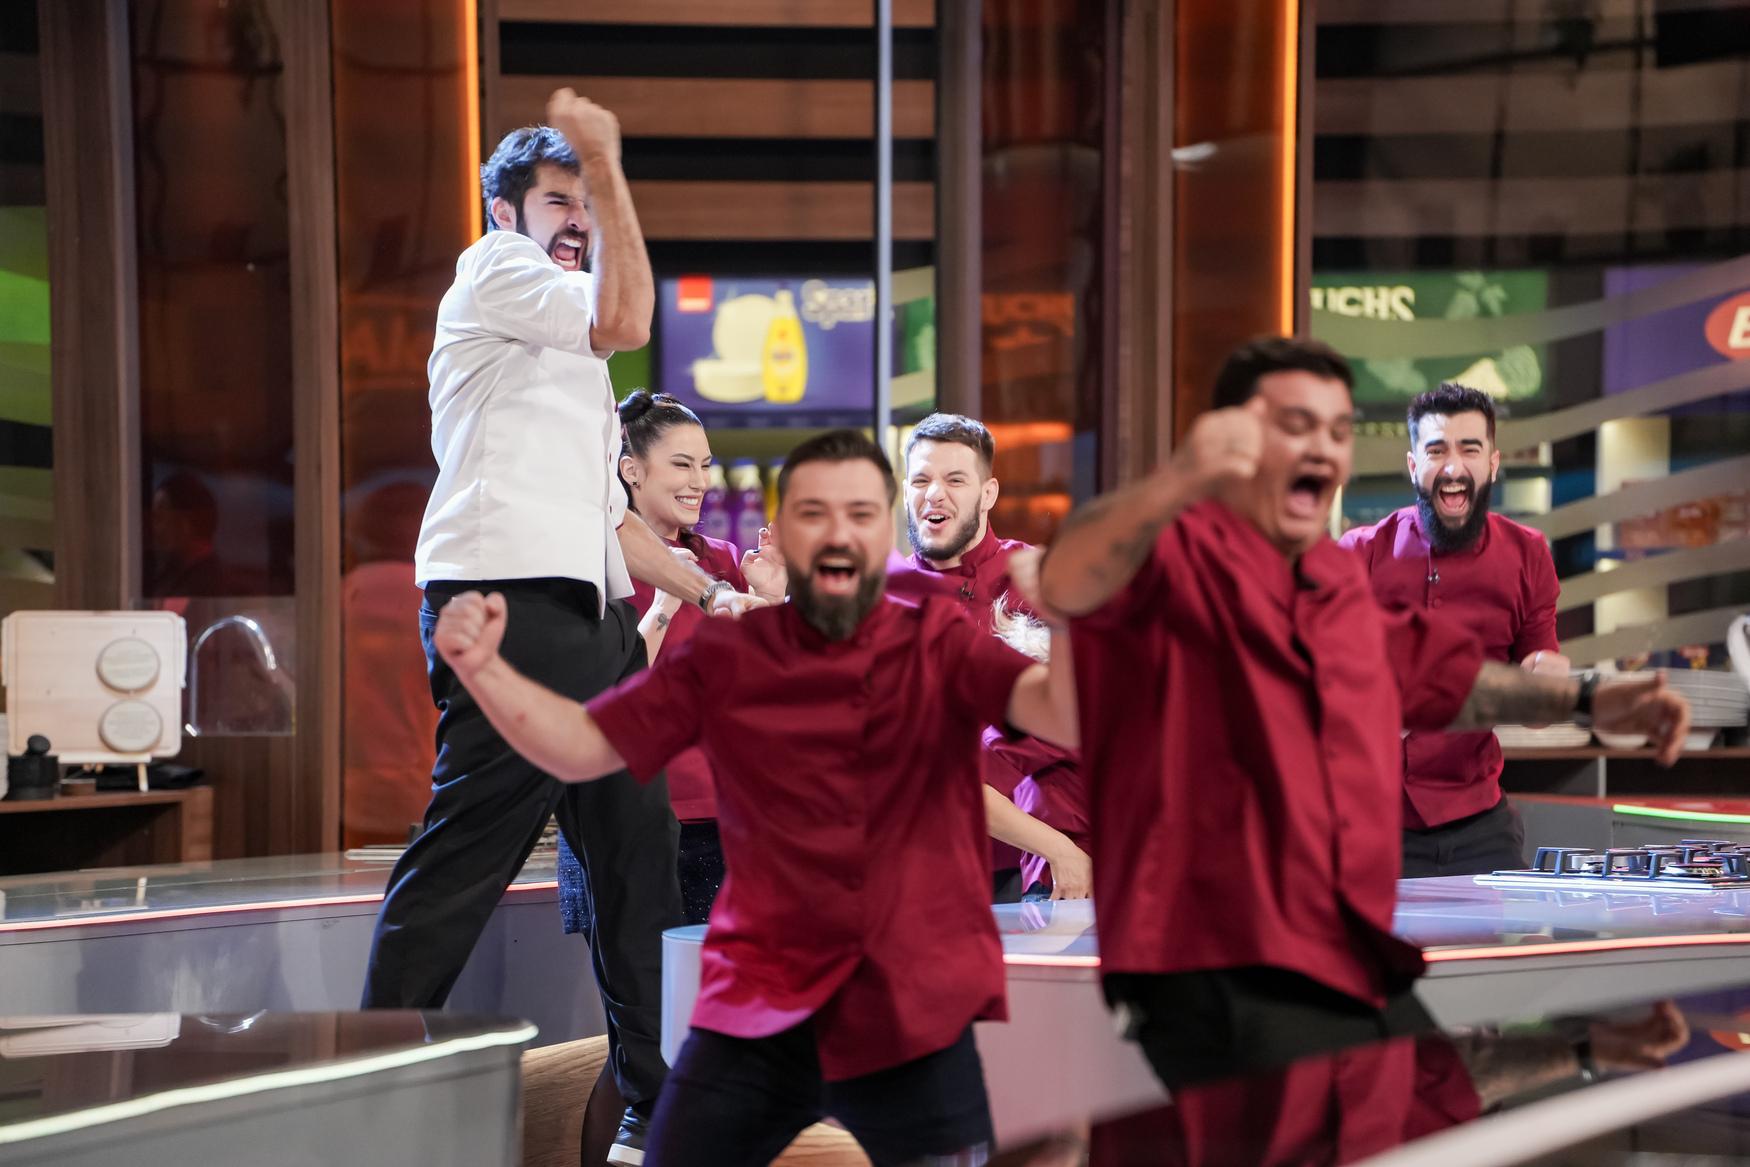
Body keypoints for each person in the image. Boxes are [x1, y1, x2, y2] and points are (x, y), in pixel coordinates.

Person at [1037, 335, 1692, 1089]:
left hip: (1333, 933)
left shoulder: (1330, 576)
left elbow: (1434, 674)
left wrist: (1582, 697)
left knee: (1413, 1073)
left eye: (1337, 430)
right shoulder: (1185, 554)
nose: (1321, 447)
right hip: (1211, 970)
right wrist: (1184, 473)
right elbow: (1070, 580)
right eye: (1295, 426)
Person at [429, 430, 1078, 1167]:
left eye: (858, 514)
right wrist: (485, 672)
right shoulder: (732, 651)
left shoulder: (931, 638)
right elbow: (583, 743)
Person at [358, 91, 758, 1165]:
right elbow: (627, 316)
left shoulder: (573, 354)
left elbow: (609, 521)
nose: (579, 218)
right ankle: (359, 1085)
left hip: (591, 621)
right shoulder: (495, 270)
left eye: (586, 201)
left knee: (638, 856)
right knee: (468, 852)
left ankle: (650, 1108)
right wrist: (610, 166)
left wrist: (714, 595)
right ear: (505, 212)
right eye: (559, 201)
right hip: (506, 605)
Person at [556, 389, 784, 929]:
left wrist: (773, 601)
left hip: (728, 822)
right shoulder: (590, 569)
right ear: (630, 471)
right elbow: (607, 702)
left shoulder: (724, 562)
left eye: (705, 465)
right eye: (682, 465)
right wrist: (665, 603)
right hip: (622, 819)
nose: (699, 481)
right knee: (638, 982)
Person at [1340, 382, 1570, 877]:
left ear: (1493, 463)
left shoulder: (1528, 555)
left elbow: (1538, 709)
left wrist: (1545, 686)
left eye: (1470, 449)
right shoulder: (1360, 554)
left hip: (1480, 827)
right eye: (1436, 451)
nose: (1452, 467)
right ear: (1412, 466)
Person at [888, 412, 1091, 901]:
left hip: (1039, 869)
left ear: (988, 493)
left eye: (955, 480)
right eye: (921, 480)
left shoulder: (1041, 582)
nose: (935, 494)